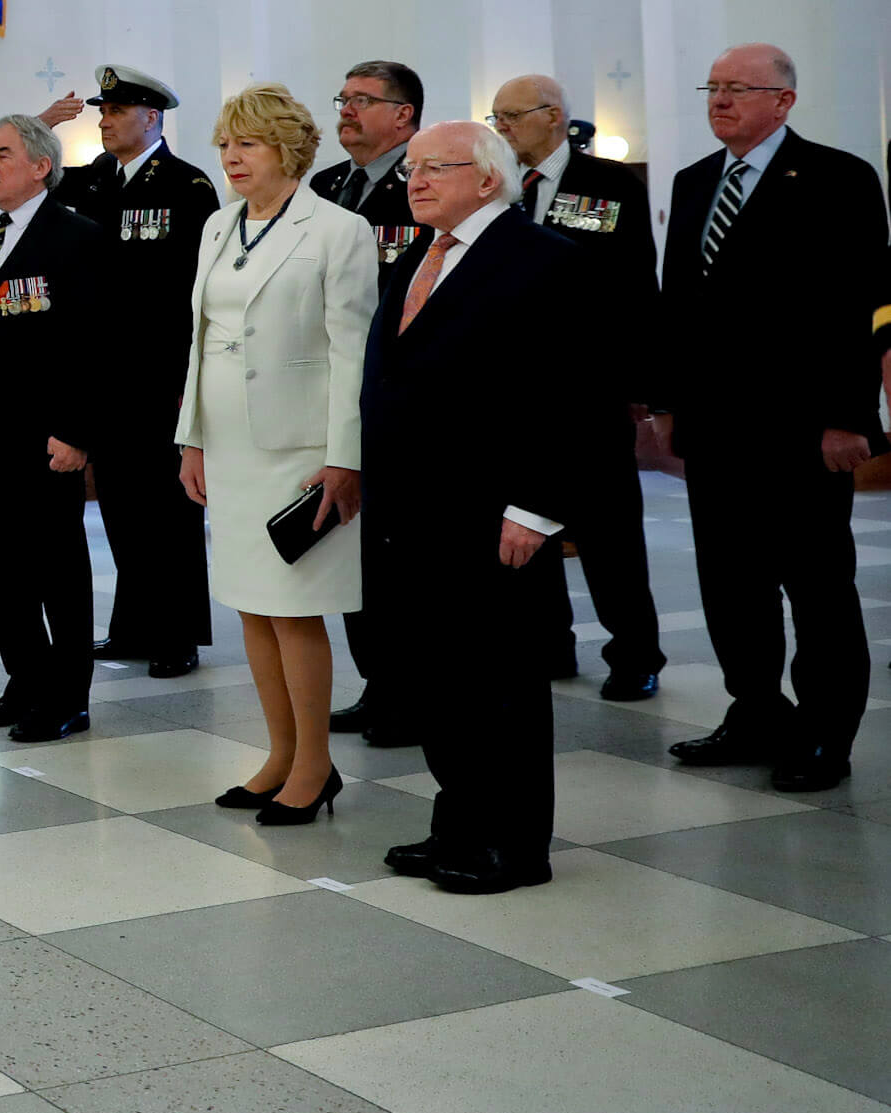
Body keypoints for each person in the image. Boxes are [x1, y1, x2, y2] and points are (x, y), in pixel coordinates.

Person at [363, 122, 599, 893]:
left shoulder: (543, 259)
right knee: (441, 680)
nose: (415, 180)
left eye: (435, 167)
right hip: (415, 509)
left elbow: (570, 397)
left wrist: (536, 507)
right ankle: (459, 823)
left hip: (493, 510)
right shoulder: (419, 253)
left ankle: (516, 845)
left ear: (488, 178)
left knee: (502, 684)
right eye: (412, 168)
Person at [654, 46, 888, 792]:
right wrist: (666, 401)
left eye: (738, 89)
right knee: (731, 583)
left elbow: (859, 304)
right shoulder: (695, 180)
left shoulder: (838, 176)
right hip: (715, 426)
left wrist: (849, 417)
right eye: (713, 88)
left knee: (817, 586)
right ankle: (755, 709)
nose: (719, 100)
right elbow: (677, 302)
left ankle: (825, 732)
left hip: (801, 428)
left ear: (783, 101)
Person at [175, 85, 376, 825]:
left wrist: (346, 456)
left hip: (300, 449)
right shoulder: (218, 225)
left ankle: (315, 766)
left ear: (288, 150)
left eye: (248, 143)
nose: (231, 157)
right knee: (251, 608)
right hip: (229, 446)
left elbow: (353, 352)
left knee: (293, 610)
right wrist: (192, 435)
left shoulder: (338, 229)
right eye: (226, 144)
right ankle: (279, 754)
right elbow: (200, 340)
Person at [41, 63, 224, 677]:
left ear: (152, 117)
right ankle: (134, 626)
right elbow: (25, 192)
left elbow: (199, 293)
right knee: (119, 505)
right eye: (103, 111)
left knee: (167, 509)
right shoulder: (92, 179)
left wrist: (191, 380)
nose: (105, 121)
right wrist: (39, 127)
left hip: (160, 376)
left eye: (118, 111)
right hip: (104, 377)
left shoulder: (186, 185)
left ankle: (177, 633)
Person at [486, 74, 665, 699]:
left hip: (591, 386)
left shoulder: (609, 184)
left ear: (553, 116)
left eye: (512, 116)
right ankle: (548, 644)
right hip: (515, 391)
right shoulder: (495, 185)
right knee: (525, 518)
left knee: (608, 530)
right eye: (496, 118)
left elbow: (637, 288)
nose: (502, 128)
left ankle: (635, 654)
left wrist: (642, 384)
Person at [0, 115, 108, 743]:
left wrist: (77, 430)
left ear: (41, 166)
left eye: (2, 154)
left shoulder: (77, 236)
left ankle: (69, 697)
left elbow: (94, 344)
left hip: (44, 436)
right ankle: (26, 679)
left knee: (56, 568)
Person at [311, 58, 427, 746]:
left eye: (362, 100)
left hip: (403, 394)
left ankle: (412, 693)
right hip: (339, 393)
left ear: (403, 114)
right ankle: (378, 682)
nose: (346, 111)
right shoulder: (327, 186)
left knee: (399, 555)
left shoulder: (425, 183)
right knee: (353, 550)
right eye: (343, 98)